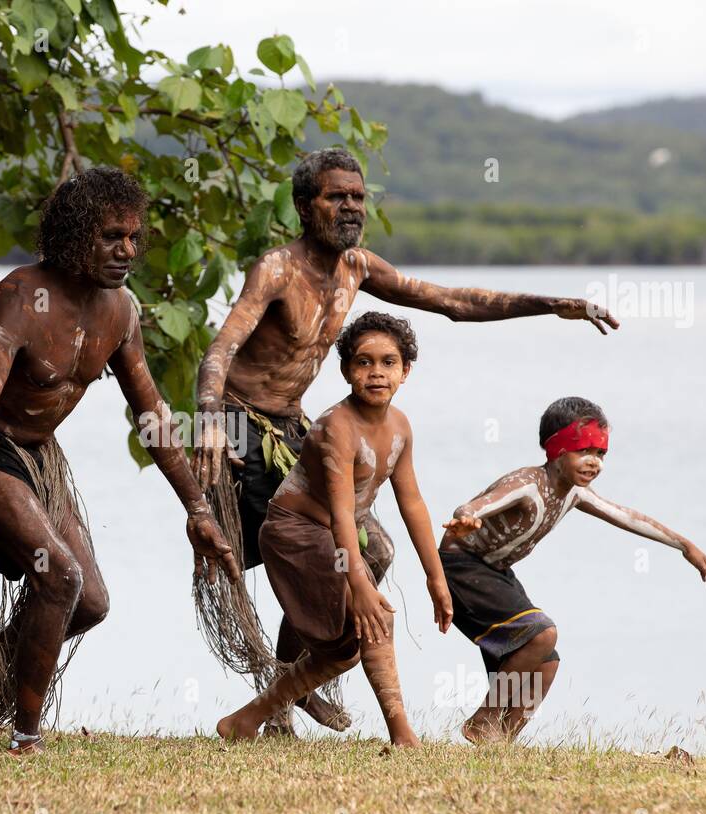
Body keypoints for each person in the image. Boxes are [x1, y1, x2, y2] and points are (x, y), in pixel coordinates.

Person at [193, 146, 619, 734]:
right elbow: (221, 349)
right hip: (241, 426)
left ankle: (300, 680)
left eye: (358, 197)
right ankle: (307, 681)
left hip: (291, 425)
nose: (349, 207)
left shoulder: (357, 269)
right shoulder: (276, 270)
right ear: (302, 205)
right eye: (335, 196)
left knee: (373, 551)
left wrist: (549, 305)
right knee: (300, 550)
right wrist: (211, 420)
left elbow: (453, 303)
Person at [0, 167, 239, 755]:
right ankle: (26, 735)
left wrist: (198, 509)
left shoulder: (121, 311)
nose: (127, 251)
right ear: (74, 236)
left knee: (89, 601)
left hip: (38, 452)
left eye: (133, 237)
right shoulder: (19, 299)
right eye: (110, 237)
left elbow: (151, 415)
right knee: (60, 576)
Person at [216, 312, 452, 746]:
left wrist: (436, 578)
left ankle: (245, 720)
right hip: (296, 533)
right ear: (345, 370)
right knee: (371, 621)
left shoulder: (399, 426)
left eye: (387, 362)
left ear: (405, 371)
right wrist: (359, 584)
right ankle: (402, 734)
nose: (375, 372)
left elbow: (412, 502)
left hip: (330, 535)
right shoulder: (335, 427)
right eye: (363, 362)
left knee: (343, 649)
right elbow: (343, 514)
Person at [438, 396, 706, 743]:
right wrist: (468, 518)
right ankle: (484, 719)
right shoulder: (529, 484)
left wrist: (684, 546)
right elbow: (477, 505)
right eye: (583, 451)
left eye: (600, 454)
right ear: (557, 451)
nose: (594, 462)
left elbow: (626, 516)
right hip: (460, 567)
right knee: (542, 633)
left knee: (546, 663)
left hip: (495, 572)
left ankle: (500, 742)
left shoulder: (574, 494)